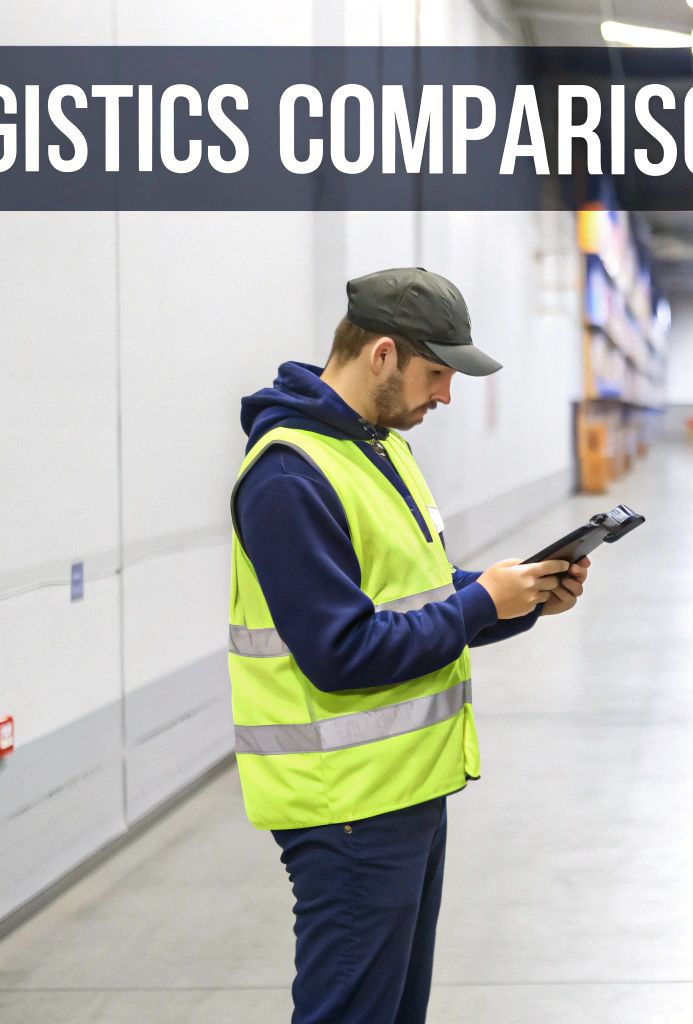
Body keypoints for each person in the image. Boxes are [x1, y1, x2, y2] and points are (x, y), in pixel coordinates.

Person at [227, 267, 587, 1024]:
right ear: (382, 354)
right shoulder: (289, 476)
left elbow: (422, 592)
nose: (446, 395)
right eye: (436, 374)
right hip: (348, 807)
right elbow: (342, 649)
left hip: (404, 789)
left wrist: (520, 599)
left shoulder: (376, 449)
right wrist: (482, 602)